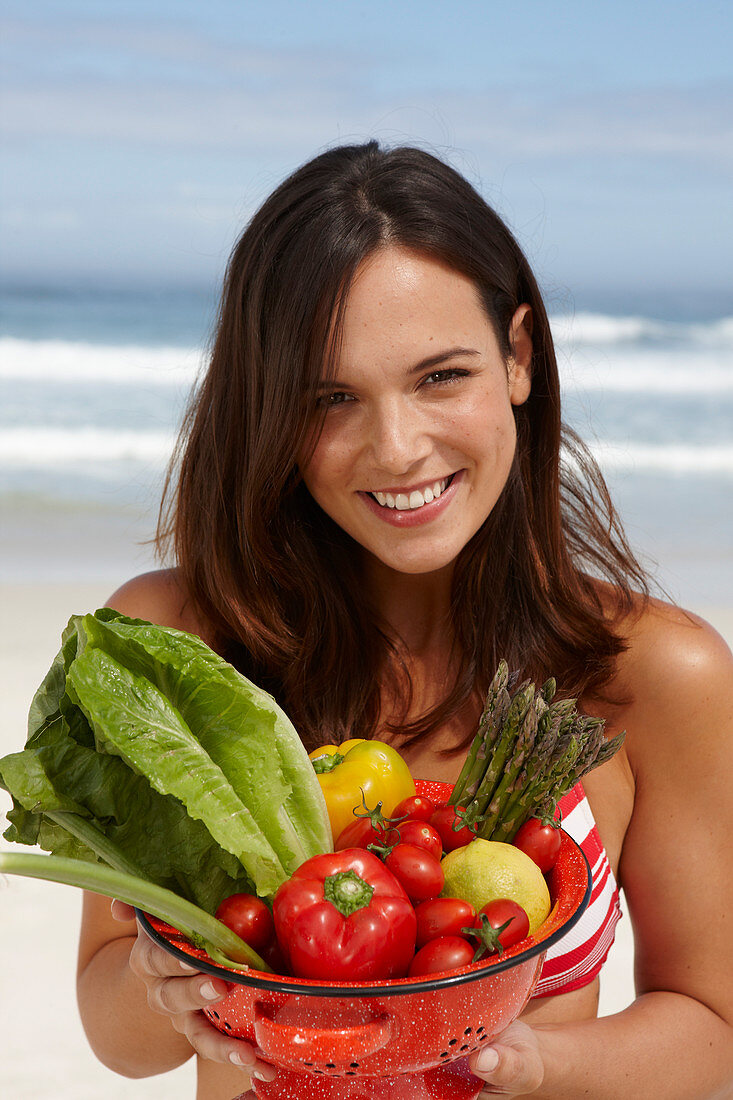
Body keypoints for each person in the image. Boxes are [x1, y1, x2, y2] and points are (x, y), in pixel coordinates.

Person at [75, 142, 733, 1099]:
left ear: (517, 357)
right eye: (330, 397)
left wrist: (530, 1062)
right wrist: (159, 984)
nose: (396, 448)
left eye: (440, 377)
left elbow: (712, 1029)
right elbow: (117, 1036)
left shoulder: (656, 675)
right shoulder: (177, 647)